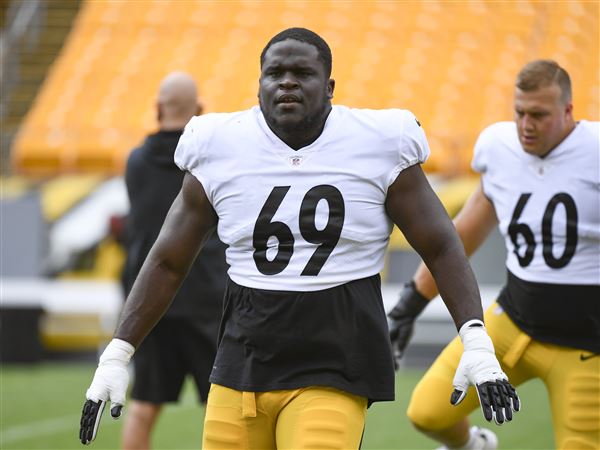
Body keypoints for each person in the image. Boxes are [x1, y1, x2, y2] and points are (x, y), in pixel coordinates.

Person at [79, 28, 519, 449]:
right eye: (275, 73)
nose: (287, 82)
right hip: (242, 356)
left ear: (329, 87)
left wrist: (475, 338)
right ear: (258, 86)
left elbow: (441, 245)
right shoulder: (218, 145)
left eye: (302, 74)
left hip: (336, 355)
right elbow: (167, 260)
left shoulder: (379, 142)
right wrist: (118, 353)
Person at [388, 59, 599, 450]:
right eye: (519, 112)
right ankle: (476, 446)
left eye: (539, 115)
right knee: (427, 411)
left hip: (586, 344)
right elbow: (461, 236)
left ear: (569, 110)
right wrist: (410, 303)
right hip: (513, 323)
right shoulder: (499, 147)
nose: (526, 125)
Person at [119, 72, 228, 449]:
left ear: (157, 108)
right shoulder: (209, 163)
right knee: (222, 406)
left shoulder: (135, 162)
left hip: (150, 300)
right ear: (199, 110)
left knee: (143, 406)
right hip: (207, 299)